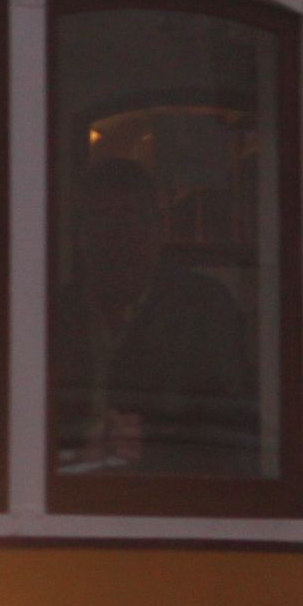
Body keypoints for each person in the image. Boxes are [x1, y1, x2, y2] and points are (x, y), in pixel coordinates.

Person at [50, 156, 257, 478]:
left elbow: (231, 429)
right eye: (102, 221)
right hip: (65, 491)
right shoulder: (50, 315)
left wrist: (150, 438)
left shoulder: (203, 310)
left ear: (158, 230)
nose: (117, 238)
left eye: (131, 219)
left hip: (170, 497)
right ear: (80, 235)